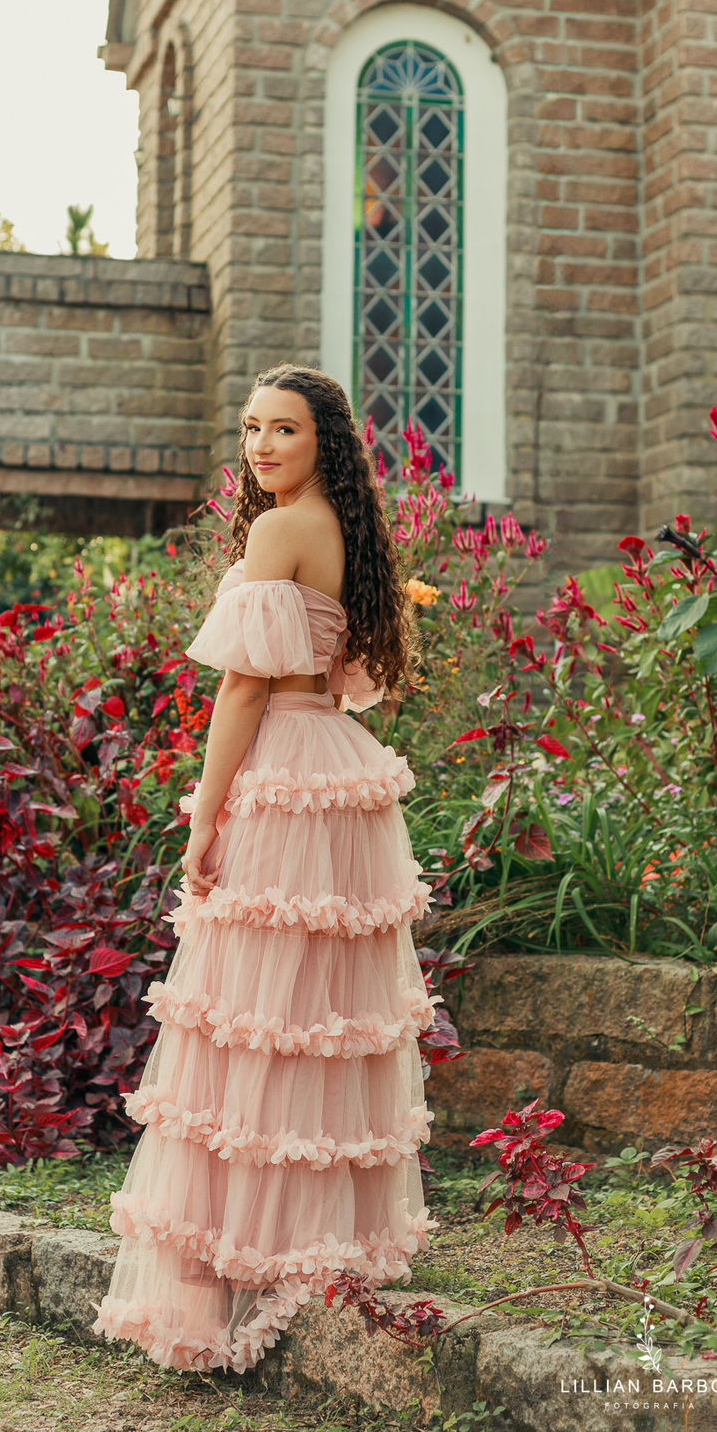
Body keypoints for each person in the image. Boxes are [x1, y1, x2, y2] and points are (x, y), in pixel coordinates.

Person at [93, 363, 439, 1372]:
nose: (260, 447)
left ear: (322, 439)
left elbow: (242, 690)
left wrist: (204, 816)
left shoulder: (276, 531)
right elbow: (353, 679)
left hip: (284, 770)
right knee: (317, 1015)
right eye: (250, 429)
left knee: (256, 1015)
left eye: (281, 429)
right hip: (334, 762)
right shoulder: (340, 530)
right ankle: (315, 1236)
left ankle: (244, 1252)